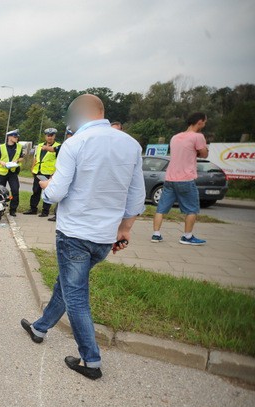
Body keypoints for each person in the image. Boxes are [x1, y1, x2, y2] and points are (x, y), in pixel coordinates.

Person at [20, 94, 145, 380]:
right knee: (66, 284)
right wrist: (124, 230)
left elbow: (56, 193)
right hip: (103, 237)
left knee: (76, 297)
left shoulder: (75, 144)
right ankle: (40, 328)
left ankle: (91, 361)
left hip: (75, 234)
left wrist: (46, 186)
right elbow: (137, 197)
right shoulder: (130, 144)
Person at [151, 112, 209, 245]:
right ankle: (187, 237)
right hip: (186, 178)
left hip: (170, 178)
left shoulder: (175, 137)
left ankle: (156, 234)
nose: (205, 124)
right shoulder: (198, 136)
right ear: (199, 122)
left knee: (161, 208)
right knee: (192, 209)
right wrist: (203, 149)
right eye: (205, 122)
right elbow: (204, 154)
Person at [24, 127, 60, 217]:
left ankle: (45, 211)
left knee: (47, 192)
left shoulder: (57, 147)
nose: (50, 137)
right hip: (38, 171)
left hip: (49, 173)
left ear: (54, 136)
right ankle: (33, 209)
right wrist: (32, 168)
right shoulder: (40, 146)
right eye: (48, 135)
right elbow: (36, 158)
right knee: (35, 191)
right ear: (45, 136)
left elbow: (60, 161)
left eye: (51, 136)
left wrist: (55, 173)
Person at [0, 129, 23, 216]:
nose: (16, 138)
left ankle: (13, 210)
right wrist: (1, 162)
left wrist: (17, 160)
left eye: (17, 137)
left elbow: (21, 157)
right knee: (0, 192)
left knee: (15, 190)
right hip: (2, 173)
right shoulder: (1, 147)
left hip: (12, 172)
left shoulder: (19, 147)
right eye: (15, 136)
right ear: (9, 137)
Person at [47, 129, 73, 222]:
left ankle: (60, 215)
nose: (68, 137)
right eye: (68, 135)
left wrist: (45, 148)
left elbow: (53, 149)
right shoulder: (65, 145)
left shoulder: (72, 145)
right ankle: (57, 214)